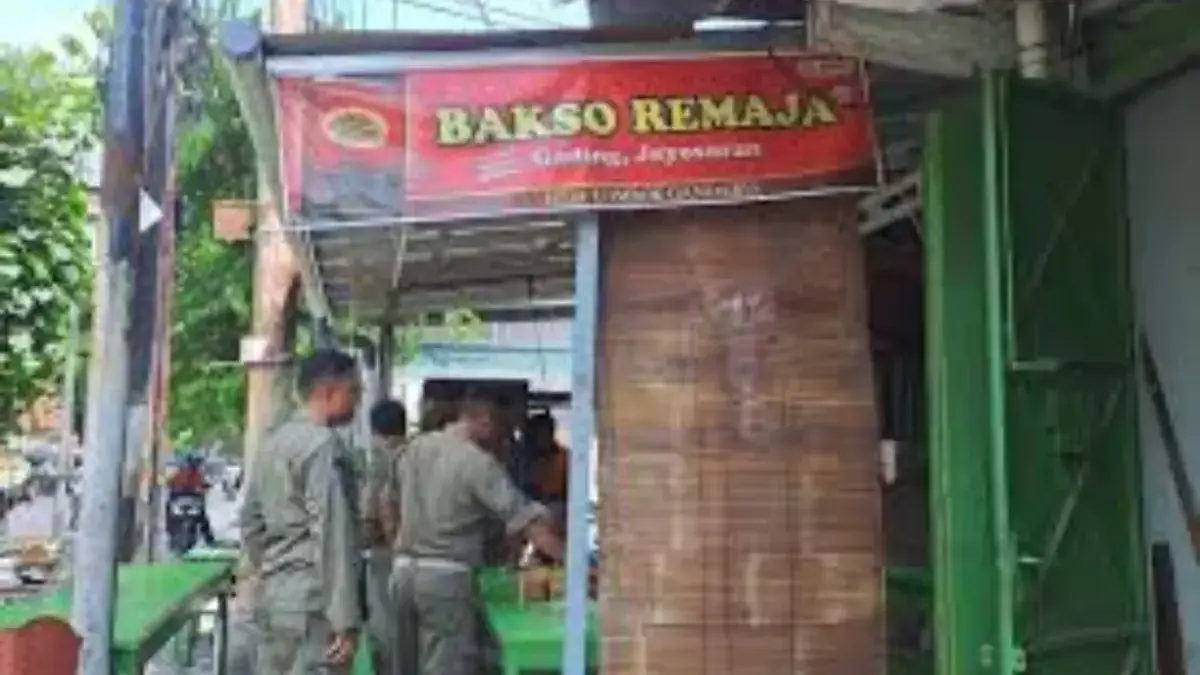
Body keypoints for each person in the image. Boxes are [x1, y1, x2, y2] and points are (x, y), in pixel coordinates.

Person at [384, 395, 565, 675]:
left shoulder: (412, 449)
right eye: (503, 432)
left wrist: (397, 542)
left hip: (401, 575)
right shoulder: (477, 463)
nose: (504, 442)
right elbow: (526, 521)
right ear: (485, 422)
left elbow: (387, 503)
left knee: (404, 668)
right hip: (446, 578)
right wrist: (574, 563)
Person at [239, 349, 363, 675]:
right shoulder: (323, 446)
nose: (358, 401)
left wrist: (271, 568)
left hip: (276, 594)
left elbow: (250, 521)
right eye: (353, 391)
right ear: (328, 391)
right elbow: (333, 533)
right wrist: (345, 619)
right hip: (315, 600)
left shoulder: (273, 442)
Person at [363, 399, 408, 675]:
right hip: (424, 556)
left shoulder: (381, 463)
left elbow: (369, 518)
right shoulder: (419, 456)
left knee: (386, 635)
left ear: (374, 430)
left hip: (388, 558)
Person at [166, 453, 216, 546]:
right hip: (181, 501)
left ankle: (209, 538)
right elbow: (170, 483)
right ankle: (209, 539)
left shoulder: (195, 474)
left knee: (202, 517)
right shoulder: (183, 473)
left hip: (191, 501)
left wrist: (204, 488)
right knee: (201, 518)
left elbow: (203, 485)